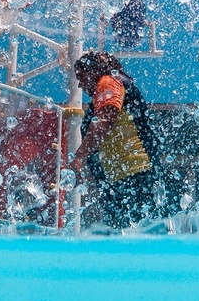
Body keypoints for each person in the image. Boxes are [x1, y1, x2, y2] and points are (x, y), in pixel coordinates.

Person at [68, 52, 163, 228]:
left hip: (133, 173)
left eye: (82, 77)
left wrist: (79, 157)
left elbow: (105, 121)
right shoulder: (113, 84)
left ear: (95, 70)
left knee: (131, 232)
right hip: (130, 175)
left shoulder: (107, 82)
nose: (80, 84)